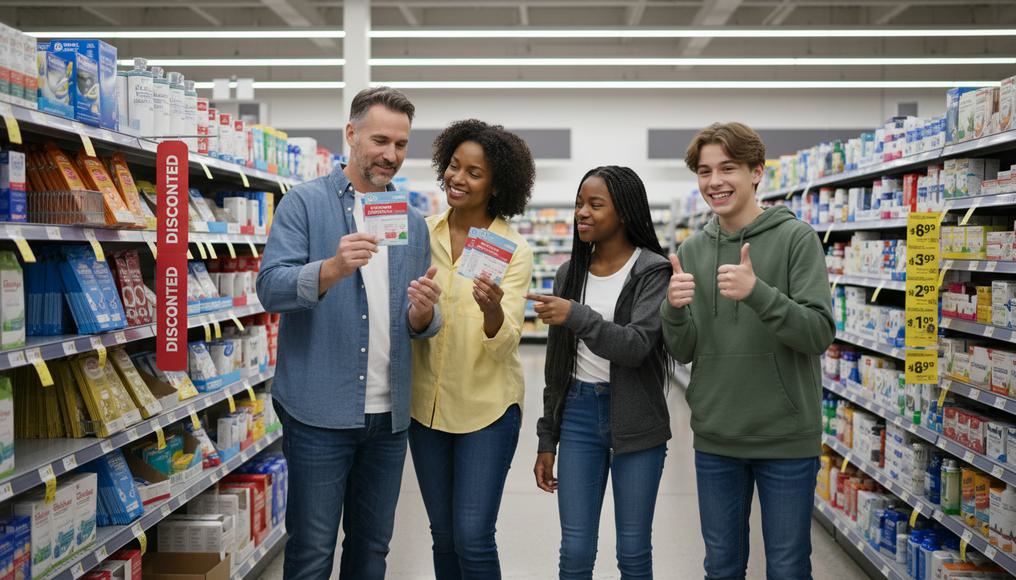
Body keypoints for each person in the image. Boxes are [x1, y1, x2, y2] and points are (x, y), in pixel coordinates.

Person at [255, 86, 443, 580]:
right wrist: (333, 268)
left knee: (372, 550)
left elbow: (418, 320)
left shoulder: (410, 221)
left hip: (389, 417)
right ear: (351, 134)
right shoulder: (303, 204)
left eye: (401, 144)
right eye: (380, 140)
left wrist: (424, 316)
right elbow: (270, 289)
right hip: (319, 413)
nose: (391, 155)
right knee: (313, 551)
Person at [660, 122, 834, 580]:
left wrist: (759, 293)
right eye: (704, 171)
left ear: (757, 172)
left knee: (787, 566)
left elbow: (818, 332)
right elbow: (685, 350)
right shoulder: (693, 249)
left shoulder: (798, 239)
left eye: (728, 168)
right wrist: (673, 310)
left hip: (786, 438)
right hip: (717, 436)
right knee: (720, 566)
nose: (714, 181)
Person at [531, 166, 673, 580]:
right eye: (579, 203)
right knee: (575, 550)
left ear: (625, 213)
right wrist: (547, 437)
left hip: (636, 418)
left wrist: (578, 316)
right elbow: (557, 365)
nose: (582, 213)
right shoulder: (568, 274)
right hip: (576, 414)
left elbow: (634, 347)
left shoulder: (652, 271)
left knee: (632, 551)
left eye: (595, 205)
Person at [410, 119, 535, 580]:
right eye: (453, 166)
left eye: (474, 173)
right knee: (442, 535)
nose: (457, 179)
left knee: (473, 535)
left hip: (487, 409)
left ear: (497, 184)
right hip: (425, 407)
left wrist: (493, 311)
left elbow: (506, 342)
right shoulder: (420, 233)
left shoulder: (513, 250)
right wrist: (416, 316)